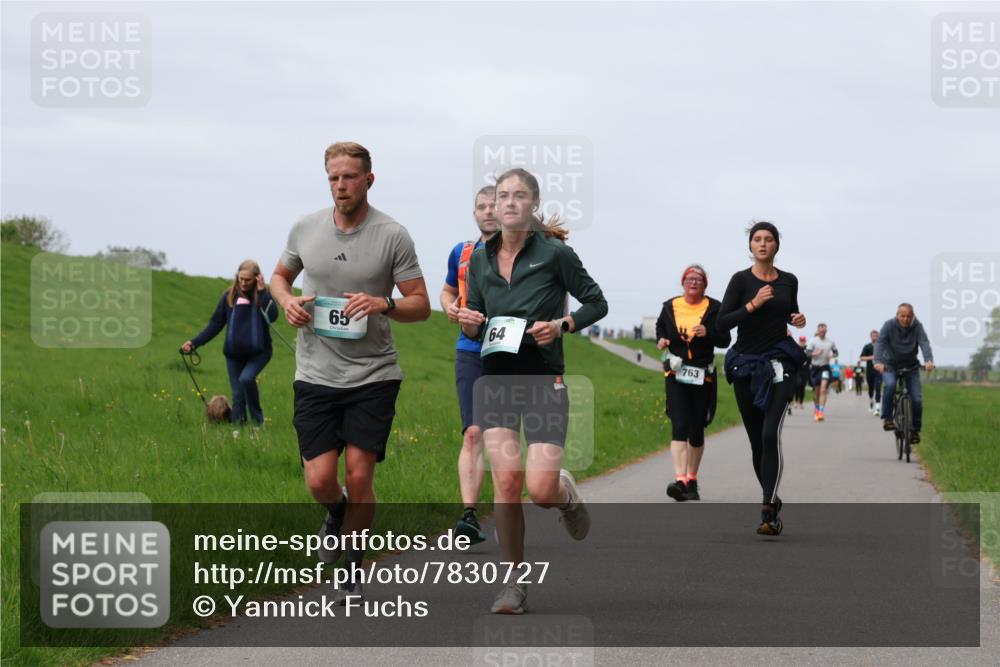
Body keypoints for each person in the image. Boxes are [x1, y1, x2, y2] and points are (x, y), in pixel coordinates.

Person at [270, 142, 430, 603]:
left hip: (373, 375)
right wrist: (287, 303)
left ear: (369, 180)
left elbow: (419, 305)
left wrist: (385, 303)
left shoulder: (392, 235)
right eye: (334, 178)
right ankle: (336, 513)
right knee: (321, 480)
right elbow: (280, 277)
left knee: (360, 476)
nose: (341, 186)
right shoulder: (306, 228)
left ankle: (354, 569)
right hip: (315, 372)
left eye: (350, 177)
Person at [457, 167, 607, 614]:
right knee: (505, 483)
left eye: (518, 196)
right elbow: (479, 308)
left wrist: (562, 324)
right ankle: (513, 585)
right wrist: (469, 318)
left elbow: (596, 301)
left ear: (533, 204)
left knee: (538, 490)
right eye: (502, 195)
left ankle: (564, 494)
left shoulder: (556, 253)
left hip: (544, 378)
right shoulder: (479, 258)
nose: (508, 203)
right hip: (495, 378)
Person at [718, 221, 807, 536]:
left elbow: (789, 313)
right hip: (745, 365)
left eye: (769, 239)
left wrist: (798, 318)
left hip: (780, 364)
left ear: (776, 245)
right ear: (751, 245)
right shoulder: (740, 281)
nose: (763, 244)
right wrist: (752, 305)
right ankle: (771, 495)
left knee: (771, 435)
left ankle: (768, 509)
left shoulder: (789, 281)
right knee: (757, 441)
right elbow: (722, 323)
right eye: (757, 239)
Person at [440, 185, 498, 543]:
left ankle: (548, 494)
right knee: (474, 433)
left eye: (494, 205)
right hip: (471, 349)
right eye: (481, 206)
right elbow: (448, 289)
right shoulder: (461, 253)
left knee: (503, 439)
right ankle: (469, 515)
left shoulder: (523, 253)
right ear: (474, 213)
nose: (488, 211)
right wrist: (449, 305)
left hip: (514, 354)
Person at [656, 265, 731, 502]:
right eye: (690, 279)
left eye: (699, 279)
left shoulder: (715, 308)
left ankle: (692, 478)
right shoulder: (670, 306)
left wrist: (707, 332)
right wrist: (662, 339)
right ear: (683, 282)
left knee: (696, 428)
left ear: (705, 284)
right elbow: (661, 328)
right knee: (679, 424)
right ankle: (680, 480)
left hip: (702, 374)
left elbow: (725, 339)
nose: (694, 283)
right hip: (676, 373)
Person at [182, 260, 278, 424]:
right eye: (240, 278)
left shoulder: (264, 295)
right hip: (234, 354)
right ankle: (238, 427)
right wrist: (194, 343)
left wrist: (262, 292)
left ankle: (258, 421)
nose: (243, 283)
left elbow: (273, 316)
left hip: (259, 352)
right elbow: (215, 324)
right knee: (238, 394)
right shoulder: (229, 296)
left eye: (247, 280)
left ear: (257, 278)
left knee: (246, 379)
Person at [875, 303, 935, 444]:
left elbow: (924, 343)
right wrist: (877, 361)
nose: (906, 319)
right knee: (889, 385)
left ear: (912, 316)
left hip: (911, 366)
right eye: (903, 316)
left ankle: (914, 430)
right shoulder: (889, 325)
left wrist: (928, 360)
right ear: (897, 315)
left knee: (917, 399)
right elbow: (880, 343)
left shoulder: (917, 326)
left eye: (909, 316)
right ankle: (888, 418)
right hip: (890, 365)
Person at [806, 323, 838, 421]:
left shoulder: (830, 342)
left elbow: (836, 352)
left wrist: (832, 355)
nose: (823, 333)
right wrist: (816, 353)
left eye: (824, 331)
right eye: (821, 331)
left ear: (826, 331)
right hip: (815, 368)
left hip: (825, 367)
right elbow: (807, 354)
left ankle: (820, 412)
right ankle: (816, 408)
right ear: (818, 331)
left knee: (823, 389)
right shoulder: (812, 341)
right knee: (816, 392)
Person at [860, 330, 883, 415]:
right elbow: (862, 358)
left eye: (876, 336)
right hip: (870, 370)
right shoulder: (867, 347)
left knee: (878, 387)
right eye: (873, 336)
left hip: (879, 371)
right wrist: (872, 357)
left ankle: (877, 408)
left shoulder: (882, 347)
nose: (875, 337)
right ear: (871, 337)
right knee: (871, 389)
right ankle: (871, 401)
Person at [793, 335, 810, 410]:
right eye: (801, 341)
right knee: (797, 386)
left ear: (805, 341)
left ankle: (801, 403)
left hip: (805, 370)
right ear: (799, 341)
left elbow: (809, 359)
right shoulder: (796, 348)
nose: (802, 342)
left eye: (803, 341)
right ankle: (796, 401)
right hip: (798, 370)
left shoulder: (808, 349)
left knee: (802, 387)